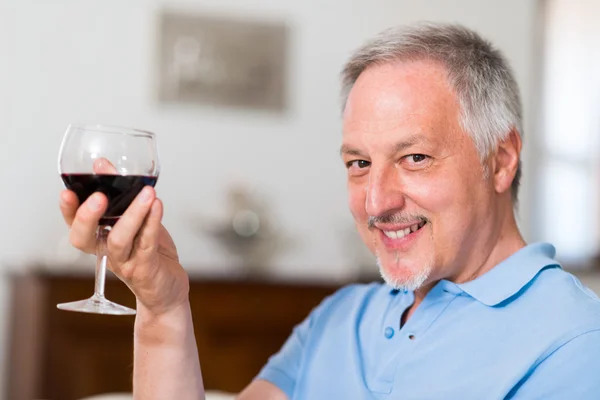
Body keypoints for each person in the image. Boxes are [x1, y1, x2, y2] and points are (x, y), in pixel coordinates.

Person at [59, 22, 600, 399]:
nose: (377, 200)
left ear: (500, 160)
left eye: (415, 157)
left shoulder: (575, 343)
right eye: (359, 162)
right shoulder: (342, 318)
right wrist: (163, 305)